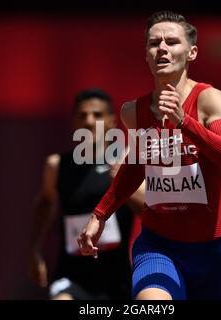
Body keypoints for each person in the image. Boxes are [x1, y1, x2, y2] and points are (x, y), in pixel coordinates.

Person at [78, 11, 221, 300]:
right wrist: (100, 214)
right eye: (154, 43)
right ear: (146, 54)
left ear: (192, 52)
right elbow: (135, 167)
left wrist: (186, 122)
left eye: (172, 42)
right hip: (159, 246)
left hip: (213, 252)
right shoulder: (134, 112)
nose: (162, 49)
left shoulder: (209, 99)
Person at [29, 88, 144, 300]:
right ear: (74, 123)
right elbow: (45, 204)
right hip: (72, 277)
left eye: (97, 115)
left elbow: (149, 211)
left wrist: (126, 184)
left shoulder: (127, 162)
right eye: (83, 115)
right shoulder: (57, 166)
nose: (89, 121)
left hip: (117, 280)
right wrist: (34, 249)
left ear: (111, 122)